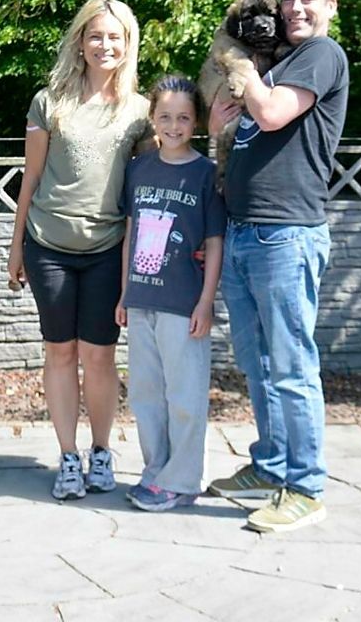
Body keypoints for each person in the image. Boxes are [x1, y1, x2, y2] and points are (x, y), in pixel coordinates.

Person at [206, 0, 349, 532]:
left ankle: (306, 487)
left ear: (330, 6)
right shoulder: (280, 62)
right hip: (244, 231)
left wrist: (235, 64)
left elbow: (268, 114)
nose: (295, 8)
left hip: (285, 234)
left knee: (291, 366)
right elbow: (236, 128)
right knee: (258, 364)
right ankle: (270, 467)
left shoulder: (322, 55)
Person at [8, 0, 154, 501]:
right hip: (48, 245)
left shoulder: (141, 111)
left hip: (108, 249)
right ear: (80, 41)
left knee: (99, 355)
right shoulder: (48, 103)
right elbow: (30, 177)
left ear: (128, 44)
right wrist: (15, 248)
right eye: (96, 35)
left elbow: (148, 191)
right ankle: (68, 457)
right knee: (59, 351)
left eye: (115, 37)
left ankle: (101, 452)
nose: (104, 45)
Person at [115, 75, 225, 512]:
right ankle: (156, 470)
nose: (174, 126)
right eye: (165, 117)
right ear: (153, 119)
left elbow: (214, 241)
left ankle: (181, 480)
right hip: (142, 300)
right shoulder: (138, 169)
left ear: (195, 121)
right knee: (145, 393)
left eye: (183, 118)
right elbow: (130, 234)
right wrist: (124, 294)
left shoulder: (206, 174)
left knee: (184, 395)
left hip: (184, 303)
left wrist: (206, 302)